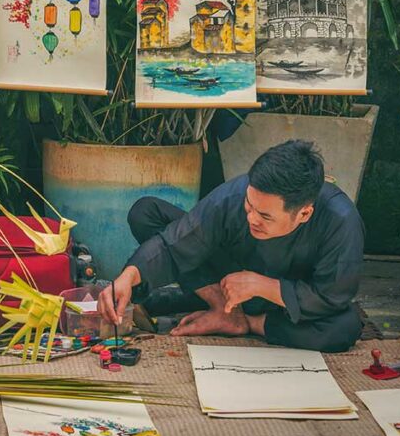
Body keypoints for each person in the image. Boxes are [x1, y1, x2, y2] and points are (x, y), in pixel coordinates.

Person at [98, 140, 364, 353]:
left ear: (304, 213)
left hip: (284, 304)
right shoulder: (236, 194)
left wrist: (263, 286)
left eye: (265, 216)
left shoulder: (340, 221)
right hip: (226, 281)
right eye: (249, 205)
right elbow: (177, 243)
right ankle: (223, 309)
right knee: (146, 212)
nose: (251, 218)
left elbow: (331, 296)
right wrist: (128, 277)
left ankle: (247, 322)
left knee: (344, 328)